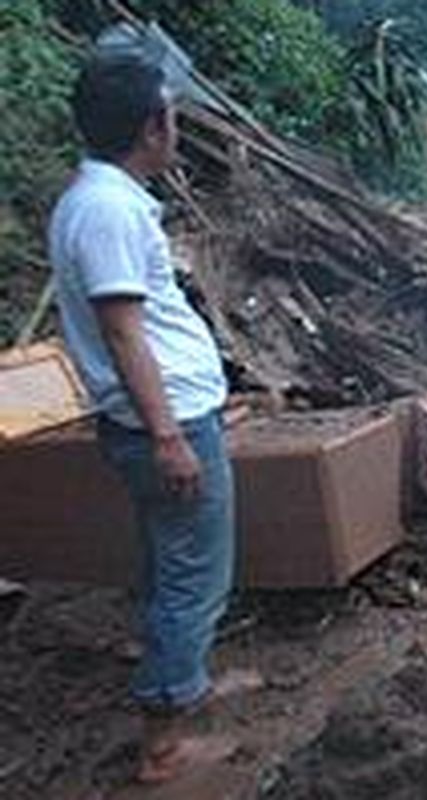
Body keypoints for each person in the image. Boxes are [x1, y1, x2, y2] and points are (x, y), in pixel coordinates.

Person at [48, 54, 258, 785]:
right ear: (151, 127)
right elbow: (123, 331)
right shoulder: (107, 212)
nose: (176, 127)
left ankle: (186, 681)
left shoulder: (107, 200)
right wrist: (170, 436)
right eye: (170, 114)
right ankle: (164, 742)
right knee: (193, 579)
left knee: (174, 565)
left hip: (165, 419)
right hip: (161, 427)